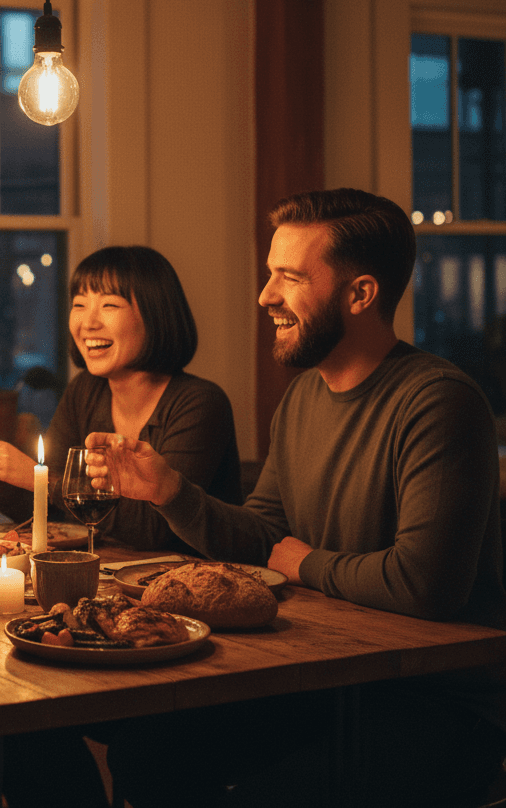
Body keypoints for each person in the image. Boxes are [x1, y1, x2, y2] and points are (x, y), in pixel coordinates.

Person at [87, 189, 506, 807]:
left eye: (288, 278)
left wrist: (302, 562)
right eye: (268, 276)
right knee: (149, 751)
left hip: (434, 703)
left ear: (359, 294)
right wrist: (171, 493)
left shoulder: (438, 402)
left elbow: (425, 585)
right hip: (326, 682)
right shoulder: (305, 397)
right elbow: (263, 536)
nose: (266, 297)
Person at [0, 245, 242, 552]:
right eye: (79, 305)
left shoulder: (200, 403)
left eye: (109, 305)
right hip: (108, 578)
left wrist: (34, 476)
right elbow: (48, 511)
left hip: (194, 583)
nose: (88, 323)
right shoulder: (86, 390)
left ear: (155, 314)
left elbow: (153, 530)